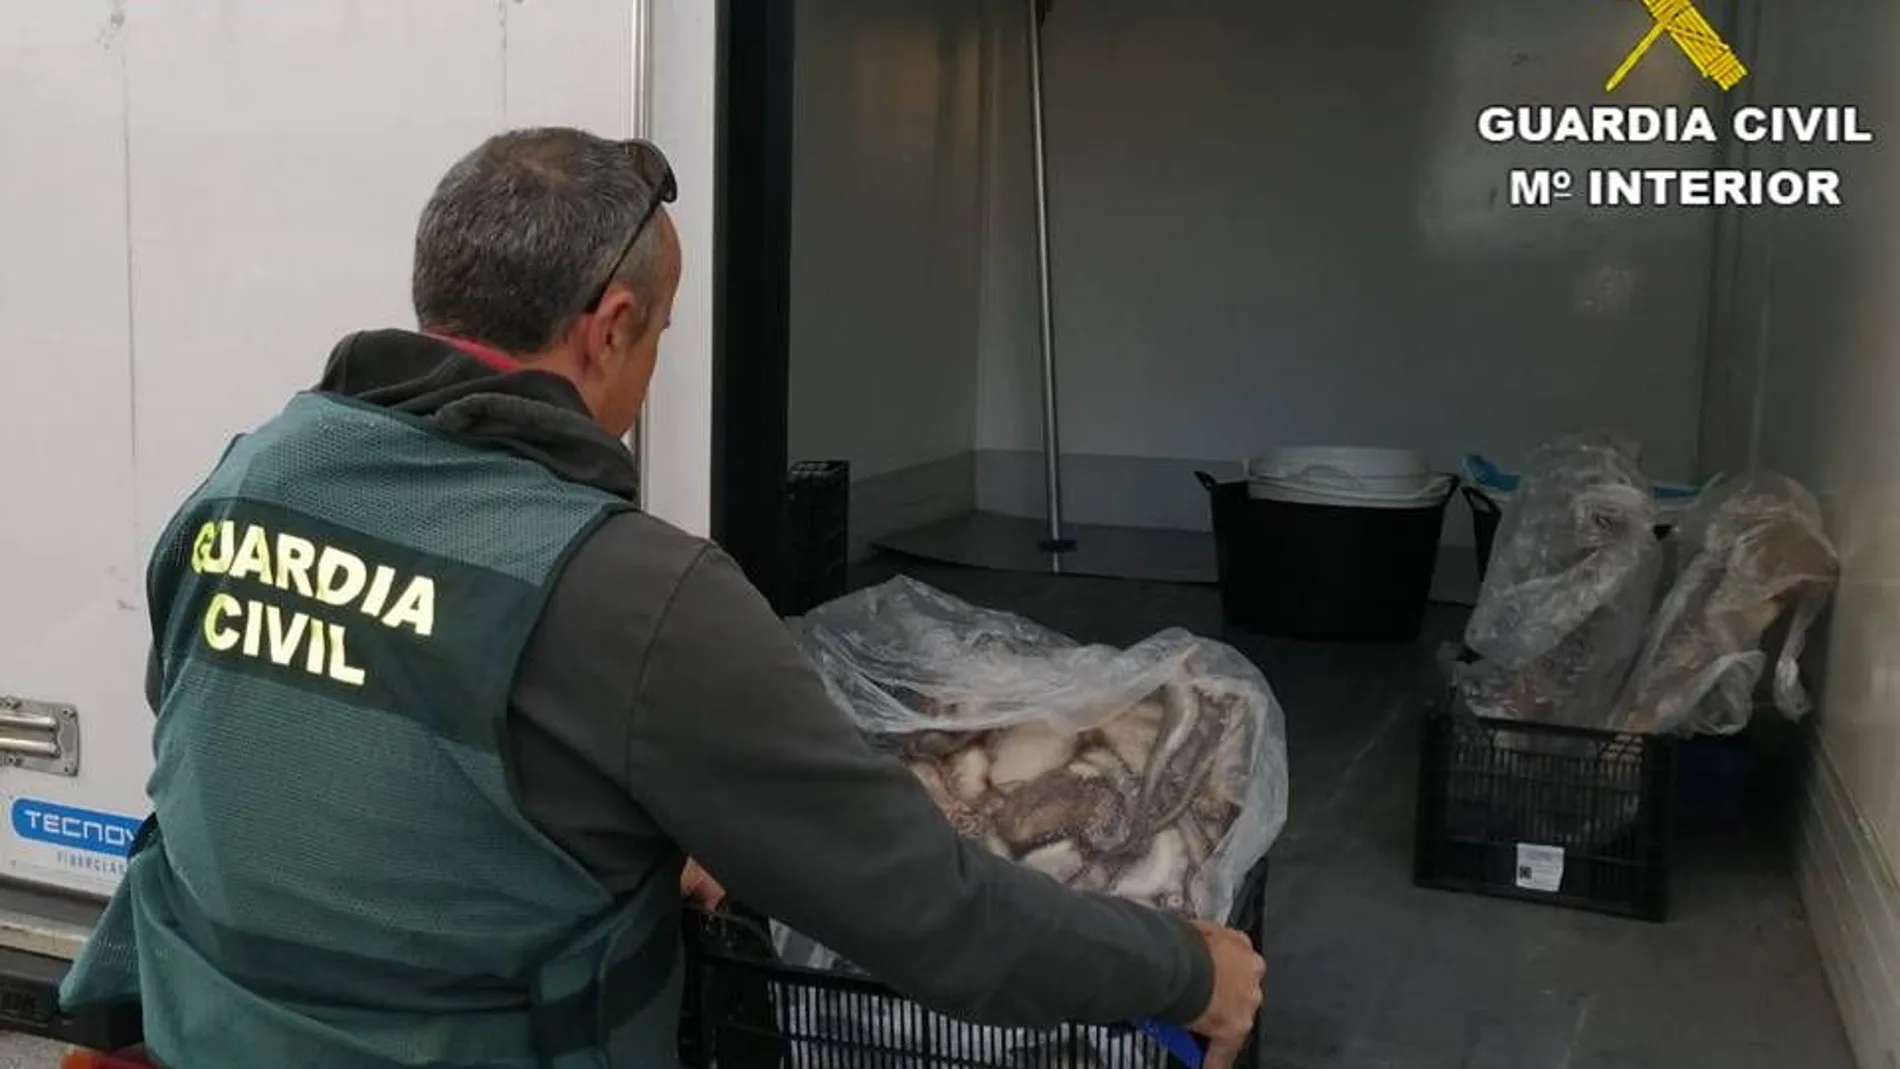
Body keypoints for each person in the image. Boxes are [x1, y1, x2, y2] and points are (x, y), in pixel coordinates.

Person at [59, 127, 1265, 1068]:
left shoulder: (252, 477)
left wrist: (606, 826)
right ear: (611, 326)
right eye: (659, 340)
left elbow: (260, 733)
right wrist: (1186, 968)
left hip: (211, 1033)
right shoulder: (637, 593)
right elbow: (934, 916)